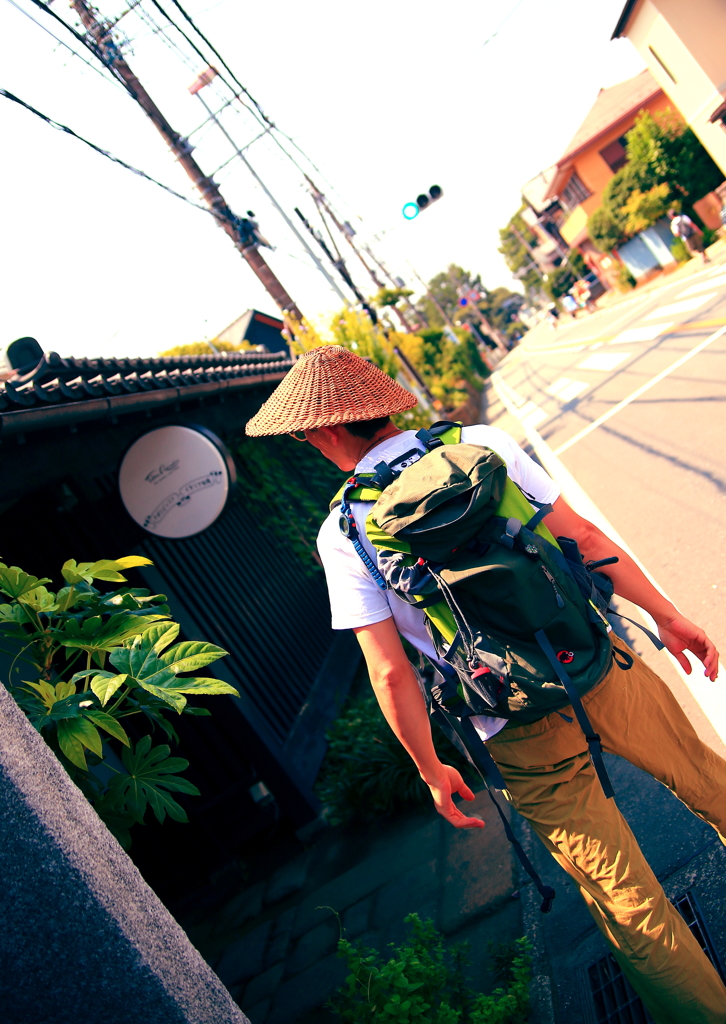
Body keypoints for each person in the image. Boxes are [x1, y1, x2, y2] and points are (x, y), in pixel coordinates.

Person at [246, 345, 726, 1024]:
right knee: (709, 782)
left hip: (512, 725)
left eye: (305, 437)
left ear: (325, 432)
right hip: (593, 663)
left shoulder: (344, 531)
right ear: (385, 406)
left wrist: (430, 767)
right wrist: (666, 615)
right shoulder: (481, 444)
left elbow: (388, 670)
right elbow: (584, 540)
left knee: (630, 904)